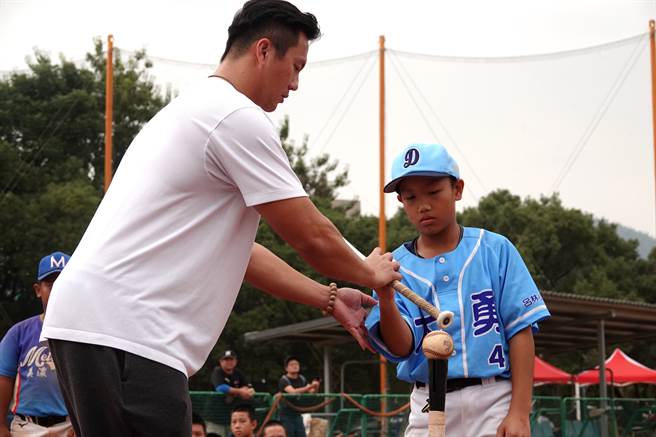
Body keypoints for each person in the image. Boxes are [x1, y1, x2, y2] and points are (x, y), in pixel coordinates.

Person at [41, 1, 401, 436]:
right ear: (264, 50)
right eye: (296, 66)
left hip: (100, 325)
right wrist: (369, 272)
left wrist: (328, 299)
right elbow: (312, 235)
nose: (296, 84)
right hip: (126, 331)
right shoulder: (235, 117)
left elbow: (242, 254)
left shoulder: (191, 110)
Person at [365, 144, 551, 437]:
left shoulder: (494, 249)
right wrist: (385, 295)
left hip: (493, 397)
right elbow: (400, 348)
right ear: (401, 201)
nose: (423, 205)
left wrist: (519, 413)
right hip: (428, 400)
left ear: (457, 189)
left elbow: (520, 331)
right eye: (411, 197)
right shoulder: (393, 268)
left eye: (433, 192)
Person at [0, 252, 74, 437]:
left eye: (63, 283)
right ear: (38, 289)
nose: (57, 289)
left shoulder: (85, 334)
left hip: (71, 426)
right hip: (27, 426)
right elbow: (3, 379)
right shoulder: (19, 333)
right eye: (50, 284)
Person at [277, 356, 317, 437]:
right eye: (292, 364)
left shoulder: (302, 379)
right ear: (286, 368)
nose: (295, 366)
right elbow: (293, 392)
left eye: (297, 364)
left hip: (298, 415)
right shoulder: (284, 380)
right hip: (286, 415)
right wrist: (309, 387)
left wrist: (316, 386)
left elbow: (312, 392)